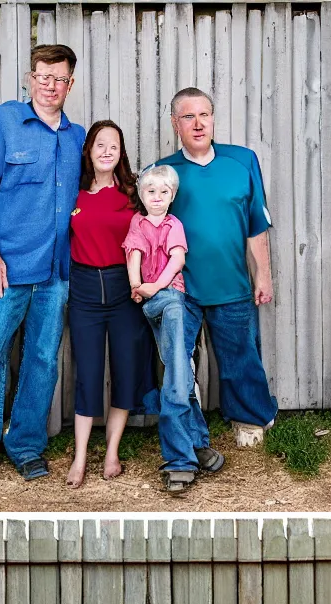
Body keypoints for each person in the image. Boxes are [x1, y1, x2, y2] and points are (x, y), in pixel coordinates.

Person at [0, 44, 86, 483]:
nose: (50, 86)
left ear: (71, 83)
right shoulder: (0, 124)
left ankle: (27, 445)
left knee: (44, 360)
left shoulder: (77, 137)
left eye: (60, 79)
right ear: (30, 78)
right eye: (43, 77)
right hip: (5, 269)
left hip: (56, 272)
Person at [148, 88, 275, 454]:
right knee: (177, 362)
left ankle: (250, 419)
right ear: (175, 124)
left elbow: (256, 225)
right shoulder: (164, 172)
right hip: (180, 288)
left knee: (240, 357)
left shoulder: (242, 161)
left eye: (204, 115)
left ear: (213, 118)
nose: (198, 123)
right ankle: (188, 430)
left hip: (231, 282)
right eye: (188, 117)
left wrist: (263, 276)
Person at [65, 119, 152, 488]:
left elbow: (153, 236)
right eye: (100, 144)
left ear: (121, 154)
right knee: (86, 373)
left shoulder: (134, 194)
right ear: (88, 150)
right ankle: (81, 457)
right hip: (84, 289)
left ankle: (112, 451)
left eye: (113, 146)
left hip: (123, 290)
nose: (106, 151)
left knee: (124, 370)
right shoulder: (73, 191)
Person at [125, 164, 198, 493]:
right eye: (150, 192)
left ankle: (188, 451)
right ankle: (190, 447)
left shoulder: (173, 224)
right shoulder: (138, 223)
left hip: (169, 296)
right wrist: (138, 285)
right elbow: (134, 254)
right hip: (151, 300)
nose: (157, 198)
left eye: (164, 193)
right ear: (142, 195)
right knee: (178, 369)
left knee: (177, 369)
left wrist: (154, 287)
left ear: (172, 196)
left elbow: (177, 260)